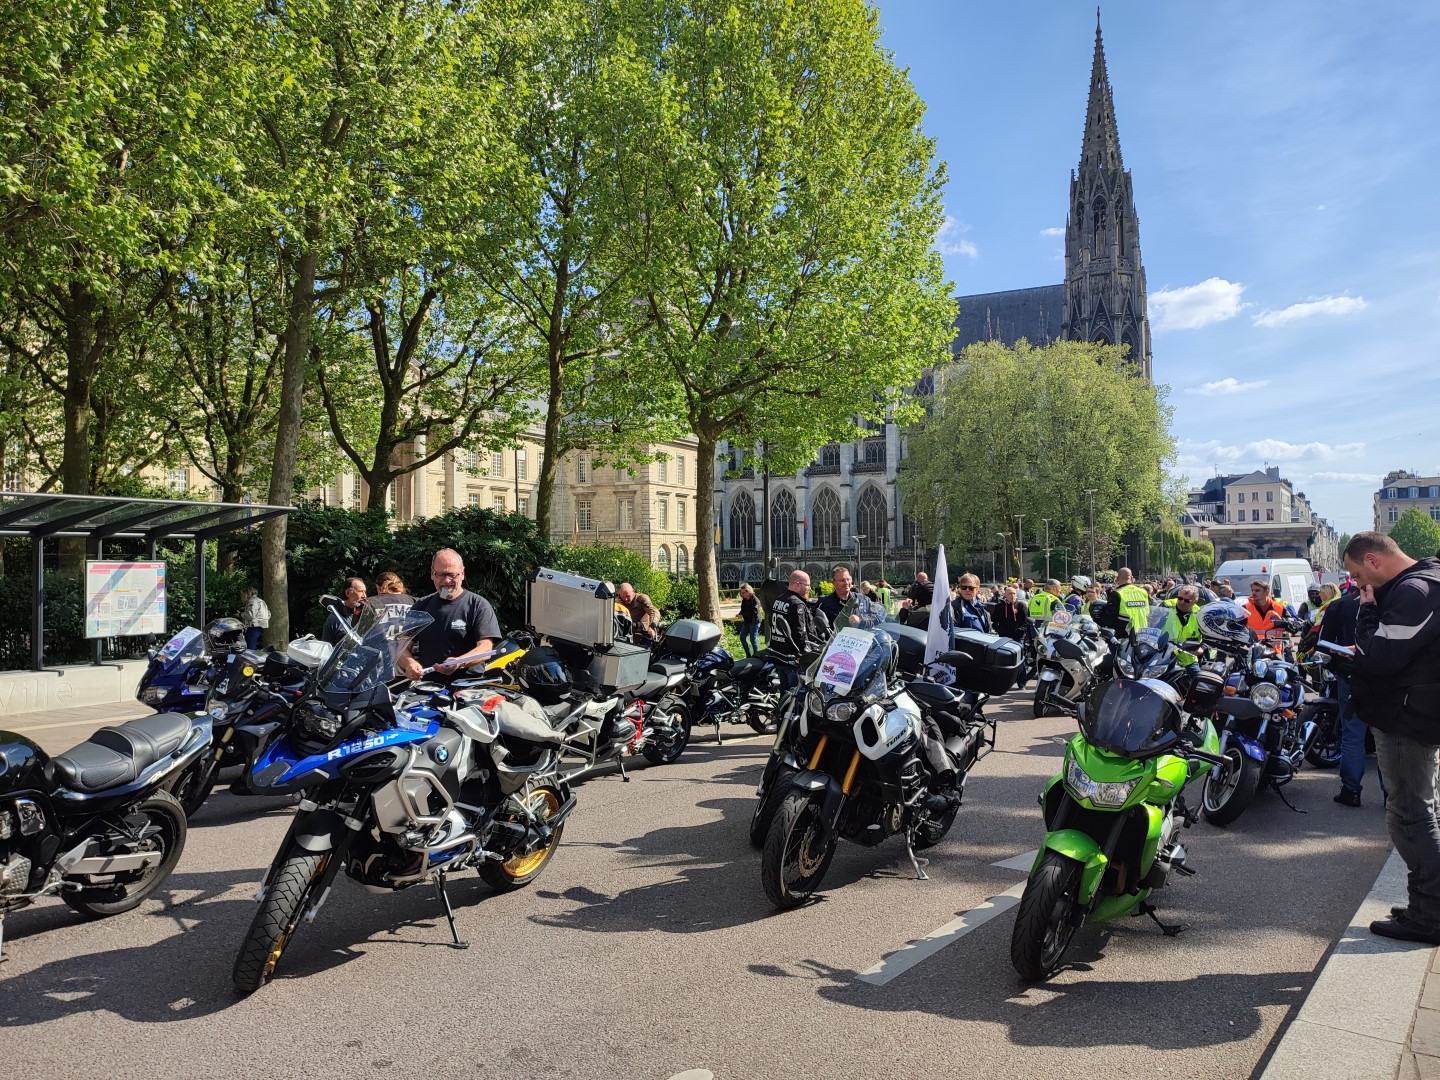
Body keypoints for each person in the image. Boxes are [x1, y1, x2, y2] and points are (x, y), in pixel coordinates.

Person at [1341, 531, 1440, 943]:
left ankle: (1429, 914)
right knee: (1418, 811)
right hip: (1414, 710)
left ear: (1373, 560)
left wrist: (1366, 613)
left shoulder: (1415, 590)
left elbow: (1379, 656)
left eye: (1356, 574)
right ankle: (1425, 905)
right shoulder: (1422, 583)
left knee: (1410, 815)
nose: (1357, 583)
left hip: (1405, 717)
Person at [398, 549, 503, 679]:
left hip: (467, 686)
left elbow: (486, 648)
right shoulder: (421, 606)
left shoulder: (478, 605)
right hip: (428, 686)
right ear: (432, 574)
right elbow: (401, 647)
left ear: (462, 574)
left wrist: (459, 662)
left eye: (452, 575)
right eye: (441, 574)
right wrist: (409, 663)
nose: (446, 581)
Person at [1319, 583, 1364, 807]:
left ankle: (1351, 790)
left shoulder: (1340, 605)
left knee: (1353, 734)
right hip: (1384, 678)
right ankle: (1390, 794)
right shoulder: (1393, 600)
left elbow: (1322, 644)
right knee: (1386, 736)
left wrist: (1338, 666)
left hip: (1350, 676)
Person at [768, 570, 826, 679]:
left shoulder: (778, 600)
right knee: (795, 687)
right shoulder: (797, 604)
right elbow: (801, 633)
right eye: (807, 585)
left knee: (783, 687)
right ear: (798, 585)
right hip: (792, 658)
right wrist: (807, 654)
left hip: (778, 654)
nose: (809, 588)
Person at [818, 566, 887, 629]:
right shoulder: (824, 603)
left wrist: (861, 619)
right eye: (842, 580)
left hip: (861, 637)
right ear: (834, 582)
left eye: (848, 579)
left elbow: (879, 615)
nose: (846, 583)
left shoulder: (863, 599)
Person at [1156, 585, 1203, 666]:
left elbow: (1207, 636)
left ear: (1195, 601)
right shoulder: (1166, 605)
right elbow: (1153, 625)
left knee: (1197, 673)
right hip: (1164, 656)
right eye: (1180, 598)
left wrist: (1201, 648)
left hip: (1187, 658)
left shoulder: (1200, 613)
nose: (1182, 602)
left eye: (1187, 601)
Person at [1098, 567, 1150, 633]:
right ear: (1132, 578)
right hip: (1143, 633)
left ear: (1117, 579)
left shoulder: (1117, 593)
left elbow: (1109, 618)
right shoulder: (1143, 592)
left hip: (1124, 635)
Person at [321, 576, 368, 645]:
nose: (364, 596)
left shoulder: (367, 616)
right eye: (360, 591)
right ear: (348, 593)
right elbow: (326, 649)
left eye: (365, 592)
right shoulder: (334, 620)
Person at [738, 582, 761, 658]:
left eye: (743, 593)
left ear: (748, 592)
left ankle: (756, 655)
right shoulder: (744, 600)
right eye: (741, 593)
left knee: (752, 639)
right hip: (747, 621)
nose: (742, 594)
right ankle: (748, 655)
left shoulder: (755, 600)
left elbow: (754, 613)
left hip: (754, 622)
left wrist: (742, 615)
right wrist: (740, 613)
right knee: (742, 637)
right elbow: (743, 610)